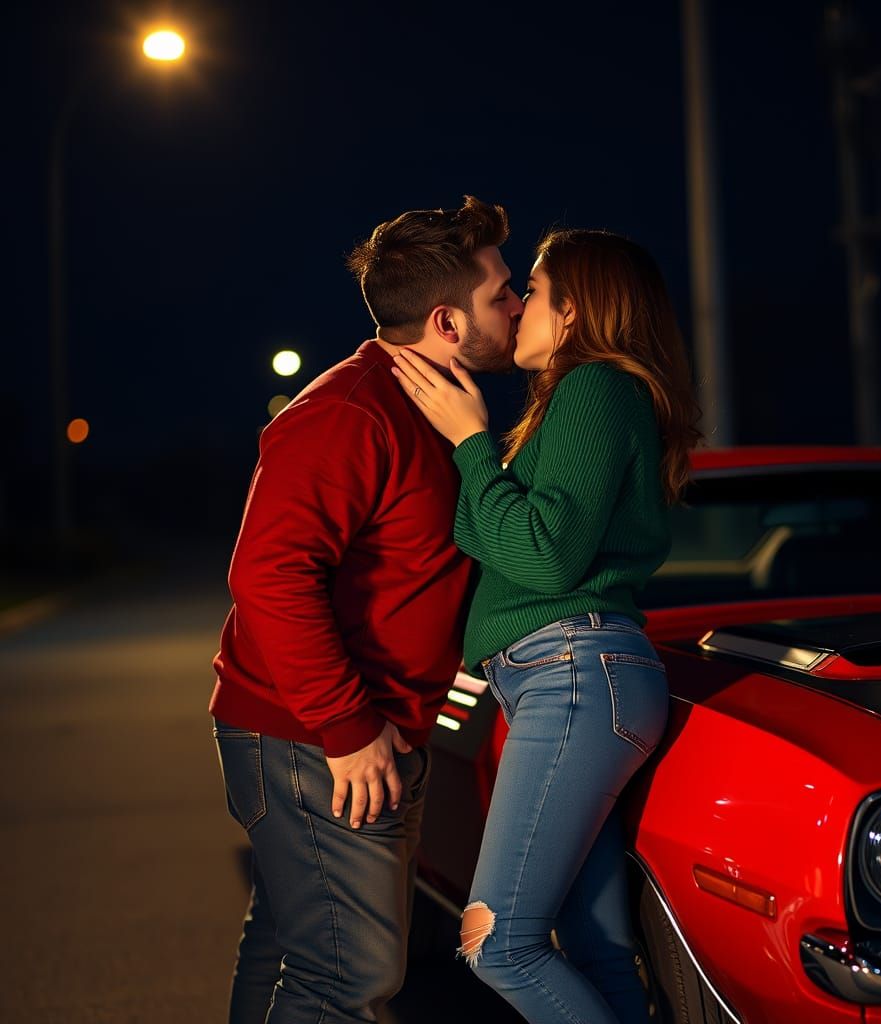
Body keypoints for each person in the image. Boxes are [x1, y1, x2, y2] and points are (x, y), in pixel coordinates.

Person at [209, 195, 524, 1024]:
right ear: (449, 322)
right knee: (351, 976)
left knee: (291, 949)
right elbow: (268, 578)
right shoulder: (350, 412)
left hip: (345, 729)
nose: (519, 304)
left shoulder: (433, 412)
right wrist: (347, 728)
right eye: (503, 293)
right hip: (315, 735)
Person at [392, 228, 701, 1024]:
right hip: (573, 678)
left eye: (534, 288)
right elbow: (499, 536)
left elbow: (541, 552)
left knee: (498, 943)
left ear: (576, 312)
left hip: (572, 675)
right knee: (592, 947)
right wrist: (478, 449)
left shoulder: (595, 389)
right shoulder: (584, 399)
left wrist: (468, 442)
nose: (518, 303)